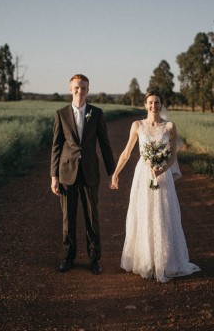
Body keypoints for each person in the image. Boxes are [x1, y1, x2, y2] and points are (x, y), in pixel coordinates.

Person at [110, 90, 200, 282]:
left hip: (162, 175)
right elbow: (126, 152)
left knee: (162, 214)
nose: (154, 106)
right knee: (143, 213)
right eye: (150, 102)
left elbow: (173, 154)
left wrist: (163, 168)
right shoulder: (137, 125)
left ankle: (164, 261)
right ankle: (145, 260)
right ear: (145, 105)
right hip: (143, 175)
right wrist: (116, 173)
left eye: (157, 102)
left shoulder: (169, 127)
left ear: (161, 105)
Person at [51, 74, 115, 275]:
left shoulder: (96, 113)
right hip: (66, 173)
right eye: (77, 88)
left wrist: (112, 172)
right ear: (70, 88)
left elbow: (105, 144)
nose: (80, 91)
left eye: (84, 88)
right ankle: (68, 257)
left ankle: (95, 259)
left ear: (88, 90)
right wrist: (53, 176)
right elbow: (56, 146)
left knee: (91, 217)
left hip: (90, 172)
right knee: (68, 219)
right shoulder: (61, 114)